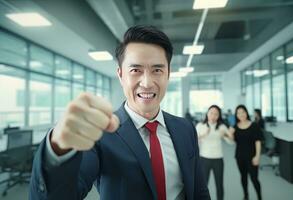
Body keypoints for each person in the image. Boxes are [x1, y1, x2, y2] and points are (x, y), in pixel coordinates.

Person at [29, 25, 210, 200]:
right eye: (135, 70)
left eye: (157, 70)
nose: (147, 82)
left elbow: (198, 190)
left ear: (168, 74)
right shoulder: (100, 133)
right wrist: (58, 147)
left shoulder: (185, 128)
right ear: (121, 75)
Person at [196, 105, 232, 200]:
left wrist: (226, 135)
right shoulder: (200, 126)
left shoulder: (222, 127)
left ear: (218, 116)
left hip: (218, 159)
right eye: (211, 113)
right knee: (203, 185)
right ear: (207, 114)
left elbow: (231, 142)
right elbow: (193, 141)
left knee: (219, 184)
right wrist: (204, 135)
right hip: (204, 159)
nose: (213, 115)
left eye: (216, 114)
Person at [227, 105, 263, 200]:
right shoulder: (235, 126)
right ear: (236, 115)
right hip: (240, 156)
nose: (241, 114)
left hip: (252, 156)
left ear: (246, 112)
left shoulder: (254, 125)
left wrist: (257, 156)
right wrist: (230, 134)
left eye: (242, 112)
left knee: (254, 179)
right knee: (243, 177)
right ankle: (246, 195)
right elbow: (234, 141)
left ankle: (259, 197)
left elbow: (258, 141)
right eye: (238, 113)